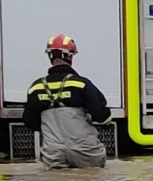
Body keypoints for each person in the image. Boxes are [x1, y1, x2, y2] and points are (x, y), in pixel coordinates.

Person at [24, 34, 111, 169]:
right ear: (70, 56)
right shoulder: (81, 84)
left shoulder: (36, 88)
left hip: (53, 152)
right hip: (85, 150)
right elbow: (101, 116)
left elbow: (29, 122)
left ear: (50, 56)